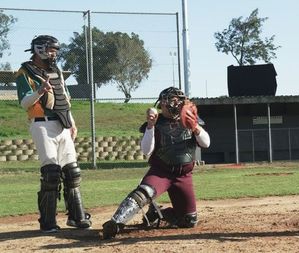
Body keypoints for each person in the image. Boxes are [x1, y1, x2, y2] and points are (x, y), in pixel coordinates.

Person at [102, 86, 210, 239]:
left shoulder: (191, 119)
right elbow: (146, 150)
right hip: (161, 172)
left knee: (189, 220)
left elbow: (206, 144)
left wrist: (195, 127)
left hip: (184, 176)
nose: (175, 104)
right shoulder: (157, 122)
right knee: (144, 192)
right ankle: (115, 223)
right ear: (162, 104)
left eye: (177, 100)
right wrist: (150, 126)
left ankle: (157, 213)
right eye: (171, 101)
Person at [15, 35, 92, 233]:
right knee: (51, 172)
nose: (54, 54)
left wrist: (71, 122)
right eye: (51, 50)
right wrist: (40, 91)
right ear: (39, 49)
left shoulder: (55, 70)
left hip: (62, 123)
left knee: (72, 171)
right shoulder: (24, 71)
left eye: (55, 50)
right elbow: (24, 103)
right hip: (41, 124)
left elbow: (63, 98)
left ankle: (77, 217)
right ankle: (48, 221)